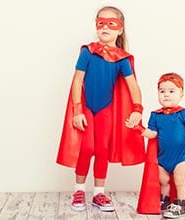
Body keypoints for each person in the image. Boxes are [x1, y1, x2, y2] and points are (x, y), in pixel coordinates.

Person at [56, 6, 145, 212]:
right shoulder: (88, 52)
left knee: (102, 149)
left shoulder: (122, 59)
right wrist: (77, 110)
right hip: (86, 107)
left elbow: (133, 86)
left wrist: (137, 109)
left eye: (111, 23)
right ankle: (78, 190)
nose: (105, 27)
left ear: (120, 30)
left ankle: (98, 193)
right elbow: (77, 81)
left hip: (106, 109)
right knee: (86, 148)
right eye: (101, 23)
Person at [129, 73, 185, 218]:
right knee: (163, 181)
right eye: (162, 91)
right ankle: (164, 201)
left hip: (180, 157)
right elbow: (152, 134)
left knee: (180, 181)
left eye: (172, 91)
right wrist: (138, 128)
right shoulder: (155, 115)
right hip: (162, 158)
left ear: (181, 94)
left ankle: (180, 205)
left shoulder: (184, 114)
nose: (166, 95)